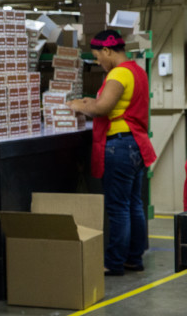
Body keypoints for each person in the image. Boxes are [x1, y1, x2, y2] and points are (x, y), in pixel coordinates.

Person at [67, 30, 156, 276]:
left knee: (118, 208)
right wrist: (91, 102)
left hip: (120, 145)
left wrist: (78, 105)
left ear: (107, 51)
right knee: (133, 204)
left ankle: (114, 262)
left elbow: (103, 108)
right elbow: (116, 104)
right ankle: (133, 258)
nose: (98, 62)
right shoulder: (136, 70)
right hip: (136, 144)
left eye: (97, 57)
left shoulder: (118, 73)